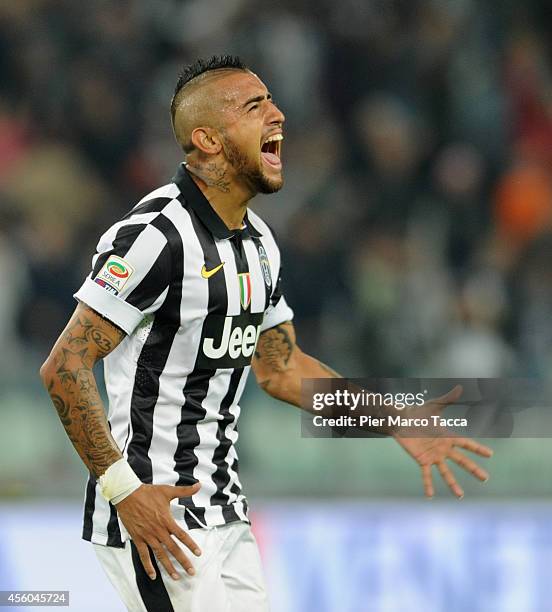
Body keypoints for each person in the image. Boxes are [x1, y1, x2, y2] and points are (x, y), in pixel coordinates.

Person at [39, 55, 493, 612]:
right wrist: (124, 493)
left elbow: (281, 369)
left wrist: (394, 417)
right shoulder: (157, 237)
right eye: (255, 106)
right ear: (207, 138)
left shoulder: (259, 244)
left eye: (273, 100)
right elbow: (63, 366)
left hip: (225, 511)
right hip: (159, 518)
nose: (278, 115)